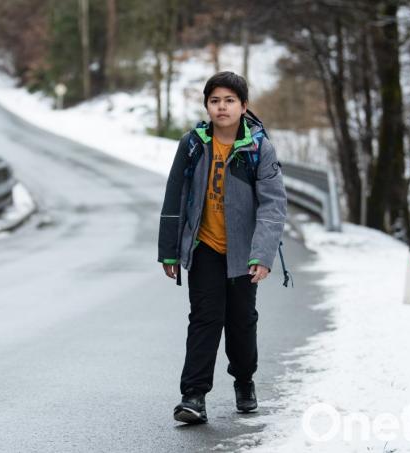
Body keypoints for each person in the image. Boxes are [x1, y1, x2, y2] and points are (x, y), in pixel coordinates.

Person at [157, 71, 287, 424]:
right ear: (207, 106)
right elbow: (175, 197)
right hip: (205, 248)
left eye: (230, 100)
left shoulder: (258, 148)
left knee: (241, 322)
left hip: (244, 253)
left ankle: (244, 381)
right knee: (204, 320)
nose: (222, 107)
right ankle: (194, 396)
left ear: (244, 106)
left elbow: (273, 206)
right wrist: (170, 250)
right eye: (215, 100)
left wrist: (262, 255)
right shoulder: (194, 144)